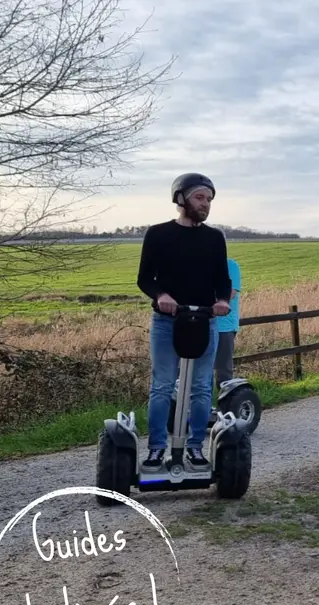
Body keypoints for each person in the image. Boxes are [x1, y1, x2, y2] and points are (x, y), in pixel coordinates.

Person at [136, 172, 232, 468]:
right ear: (181, 199)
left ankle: (194, 447)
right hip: (167, 321)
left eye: (209, 199)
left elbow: (222, 279)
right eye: (200, 197)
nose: (206, 204)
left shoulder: (214, 238)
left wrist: (223, 301)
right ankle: (155, 448)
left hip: (204, 320)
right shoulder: (158, 234)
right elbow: (144, 279)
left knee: (202, 387)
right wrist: (161, 295)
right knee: (163, 384)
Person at [214, 257, 241, 387]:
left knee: (223, 370)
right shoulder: (200, 262)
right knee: (202, 371)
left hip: (224, 325)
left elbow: (231, 293)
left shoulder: (230, 265)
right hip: (202, 324)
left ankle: (226, 403)